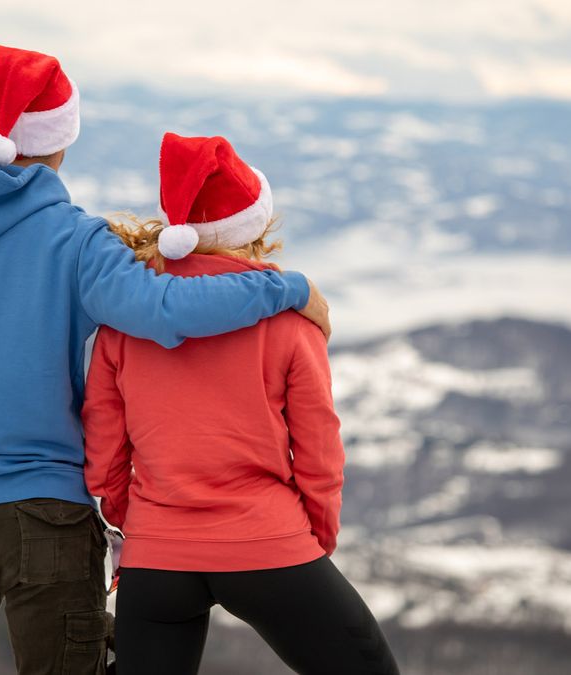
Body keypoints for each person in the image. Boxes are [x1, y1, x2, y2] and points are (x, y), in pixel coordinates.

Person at [0, 47, 331, 675]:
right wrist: (288, 289)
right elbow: (165, 310)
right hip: (49, 518)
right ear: (63, 137)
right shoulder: (78, 241)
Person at [82, 132, 398, 675]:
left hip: (157, 554)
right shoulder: (290, 322)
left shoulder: (126, 323)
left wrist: (139, 526)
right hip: (267, 542)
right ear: (254, 228)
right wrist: (313, 535)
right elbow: (319, 447)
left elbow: (105, 451)